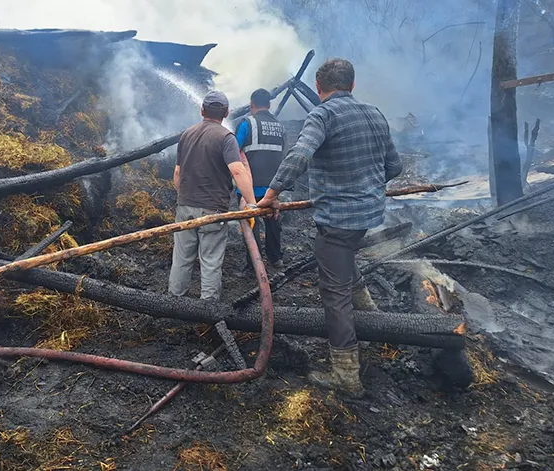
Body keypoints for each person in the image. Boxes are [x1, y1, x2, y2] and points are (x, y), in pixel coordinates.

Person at [257, 58, 403, 396]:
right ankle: (372, 317)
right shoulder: (376, 114)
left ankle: (346, 374)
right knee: (345, 262)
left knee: (333, 295)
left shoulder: (322, 114)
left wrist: (272, 195)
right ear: (352, 86)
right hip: (367, 215)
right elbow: (393, 167)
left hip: (338, 219)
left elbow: (299, 156)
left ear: (320, 89)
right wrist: (365, 182)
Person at [169, 91, 257, 302]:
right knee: (210, 260)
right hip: (213, 210)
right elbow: (237, 171)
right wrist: (253, 203)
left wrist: (184, 197)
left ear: (202, 110)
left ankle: (173, 301)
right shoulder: (226, 138)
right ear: (226, 113)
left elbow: (178, 173)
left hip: (185, 207)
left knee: (181, 258)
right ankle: (208, 307)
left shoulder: (187, 134)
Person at [235, 88, 287, 272]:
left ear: (251, 104)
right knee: (273, 221)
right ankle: (275, 258)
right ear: (269, 105)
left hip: (249, 187)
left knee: (251, 225)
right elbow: (283, 156)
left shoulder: (247, 123)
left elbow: (234, 150)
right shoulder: (280, 127)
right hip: (272, 188)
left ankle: (253, 264)